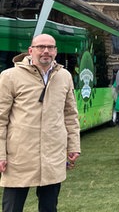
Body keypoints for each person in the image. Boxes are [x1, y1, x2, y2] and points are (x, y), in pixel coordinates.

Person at [0, 34, 81, 211]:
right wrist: (1, 154)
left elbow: (70, 115)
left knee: (49, 206)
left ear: (56, 51)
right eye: (41, 47)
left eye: (51, 47)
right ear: (30, 50)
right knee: (12, 207)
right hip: (19, 155)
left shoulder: (64, 76)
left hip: (53, 154)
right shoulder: (9, 76)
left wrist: (74, 145)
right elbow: (1, 118)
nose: (46, 51)